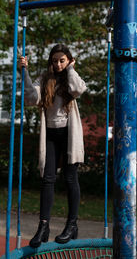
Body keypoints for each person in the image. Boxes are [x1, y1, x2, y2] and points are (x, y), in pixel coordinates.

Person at [19, 44, 87, 248]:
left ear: (68, 61)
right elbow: (32, 98)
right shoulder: (45, 78)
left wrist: (71, 69)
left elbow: (78, 89)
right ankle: (43, 226)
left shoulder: (70, 77)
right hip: (50, 134)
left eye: (62, 60)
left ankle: (72, 225)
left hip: (68, 133)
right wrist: (24, 72)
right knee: (47, 179)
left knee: (69, 178)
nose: (57, 64)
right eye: (55, 60)